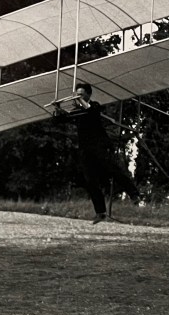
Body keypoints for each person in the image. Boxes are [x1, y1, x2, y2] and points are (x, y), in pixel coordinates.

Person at [53, 82, 141, 223]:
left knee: (113, 169)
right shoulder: (77, 111)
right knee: (90, 180)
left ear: (88, 95)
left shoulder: (94, 106)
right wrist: (58, 109)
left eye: (81, 94)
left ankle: (134, 194)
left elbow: (91, 111)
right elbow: (60, 120)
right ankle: (100, 212)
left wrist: (79, 99)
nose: (78, 97)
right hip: (85, 150)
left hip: (99, 146)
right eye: (77, 94)